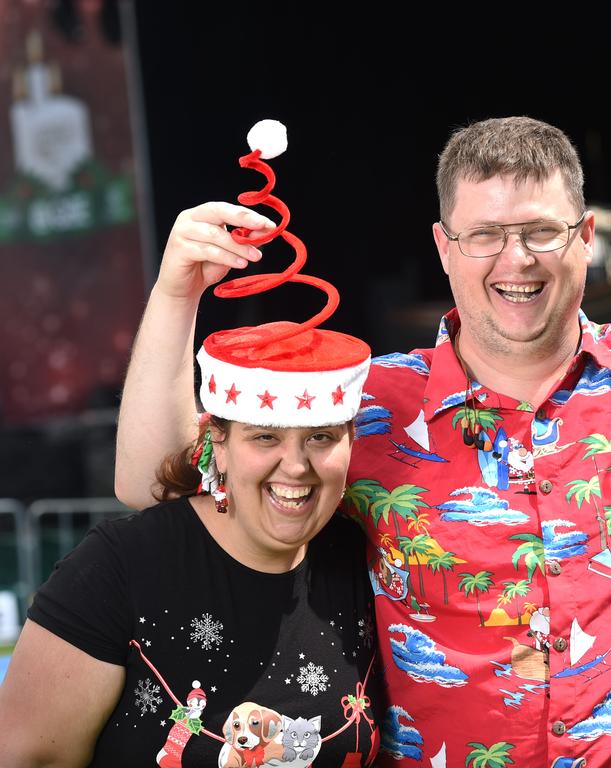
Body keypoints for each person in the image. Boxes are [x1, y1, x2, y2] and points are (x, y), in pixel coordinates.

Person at [112, 80, 611, 767]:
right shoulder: (371, 404)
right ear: (445, 249)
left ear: (586, 238)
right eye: (485, 236)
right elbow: (158, 482)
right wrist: (177, 291)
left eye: (541, 232)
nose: (514, 261)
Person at [0, 122, 380, 767]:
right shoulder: (122, 567)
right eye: (265, 435)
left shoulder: (363, 564)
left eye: (321, 437)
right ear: (218, 445)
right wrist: (178, 290)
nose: (297, 465)